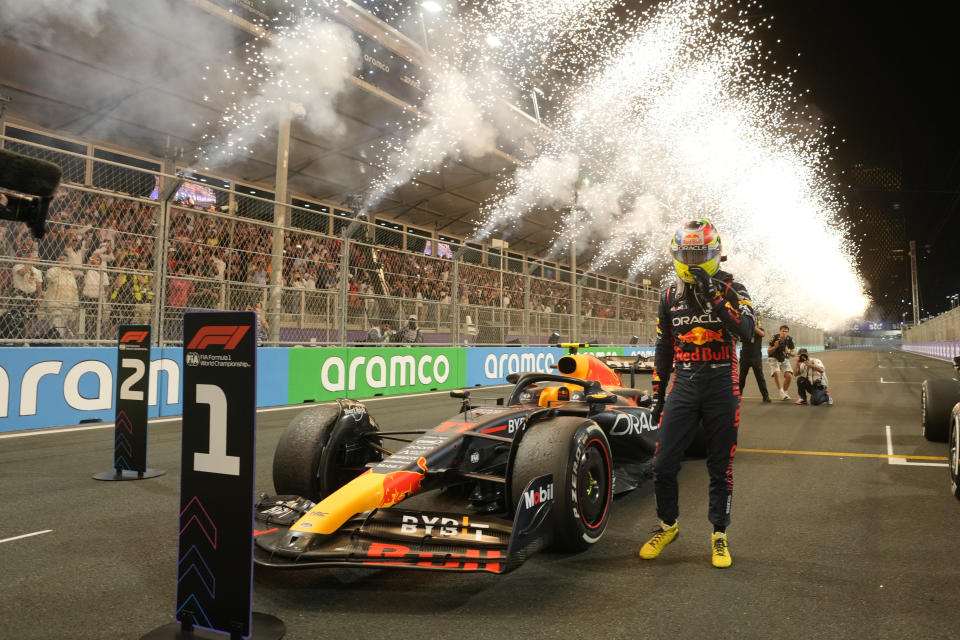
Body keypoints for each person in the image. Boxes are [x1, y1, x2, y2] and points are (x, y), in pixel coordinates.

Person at [639, 219, 754, 569]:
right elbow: (664, 347)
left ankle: (719, 534)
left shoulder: (735, 287)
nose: (691, 260)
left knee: (720, 467)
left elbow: (746, 332)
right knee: (662, 465)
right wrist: (658, 394)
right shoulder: (669, 294)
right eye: (685, 253)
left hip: (722, 384)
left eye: (698, 253)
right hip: (684, 385)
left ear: (715, 253)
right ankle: (667, 526)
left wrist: (714, 294)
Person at [739, 324, 771, 402]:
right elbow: (740, 337)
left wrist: (752, 325)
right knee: (741, 378)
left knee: (760, 378)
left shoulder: (760, 329)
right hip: (745, 357)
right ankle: (738, 396)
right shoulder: (744, 329)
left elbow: (762, 334)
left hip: (756, 357)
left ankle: (765, 397)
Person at [767, 325, 795, 400]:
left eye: (786, 331)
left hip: (784, 358)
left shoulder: (790, 339)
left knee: (789, 376)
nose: (784, 333)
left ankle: (785, 393)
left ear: (788, 332)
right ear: (780, 331)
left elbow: (793, 354)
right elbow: (769, 351)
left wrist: (788, 351)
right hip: (774, 357)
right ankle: (781, 392)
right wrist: (775, 347)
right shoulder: (774, 338)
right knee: (777, 373)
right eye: (783, 331)